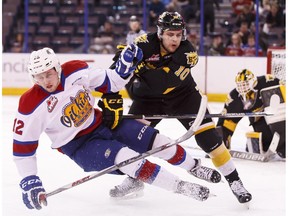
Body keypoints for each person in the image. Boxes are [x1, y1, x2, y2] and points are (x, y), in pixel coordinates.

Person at [12, 46, 224, 210]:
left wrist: (124, 66)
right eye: (39, 77)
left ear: (57, 68)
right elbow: (23, 150)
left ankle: (194, 166)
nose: (45, 81)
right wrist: (29, 179)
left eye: (48, 74)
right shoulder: (30, 104)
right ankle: (180, 187)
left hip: (102, 124)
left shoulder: (75, 70)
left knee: (157, 141)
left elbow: (111, 83)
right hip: (79, 147)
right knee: (129, 158)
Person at [112, 11, 252, 204]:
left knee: (210, 140)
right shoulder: (143, 43)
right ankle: (135, 179)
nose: (175, 39)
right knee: (133, 140)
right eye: (170, 34)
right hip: (149, 101)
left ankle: (235, 181)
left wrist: (137, 68)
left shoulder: (188, 53)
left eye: (179, 34)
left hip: (184, 97)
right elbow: (116, 68)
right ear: (160, 33)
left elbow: (159, 83)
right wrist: (122, 61)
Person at [217, 69, 285, 158]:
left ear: (253, 81)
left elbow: (283, 89)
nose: (242, 88)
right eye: (240, 85)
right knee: (265, 143)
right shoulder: (234, 97)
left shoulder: (267, 81)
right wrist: (221, 142)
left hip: (279, 118)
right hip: (259, 121)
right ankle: (253, 143)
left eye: (245, 84)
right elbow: (227, 122)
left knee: (283, 147)